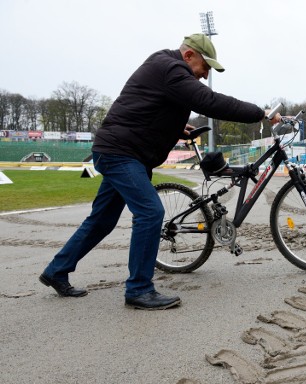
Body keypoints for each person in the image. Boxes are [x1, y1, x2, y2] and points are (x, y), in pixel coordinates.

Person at [39, 33, 281, 310]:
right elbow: (209, 102)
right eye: (205, 67)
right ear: (189, 55)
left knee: (101, 220)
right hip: (121, 153)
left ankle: (56, 270)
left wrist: (175, 127)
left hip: (124, 152)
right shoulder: (171, 67)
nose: (204, 75)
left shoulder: (165, 67)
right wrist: (260, 113)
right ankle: (139, 289)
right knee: (151, 212)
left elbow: (146, 107)